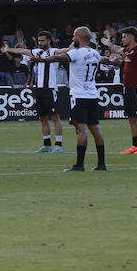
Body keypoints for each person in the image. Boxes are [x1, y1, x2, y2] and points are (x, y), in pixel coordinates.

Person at [39, 27, 109, 171]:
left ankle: (79, 164)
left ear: (80, 37)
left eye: (74, 36)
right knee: (95, 128)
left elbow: (60, 57)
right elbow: (105, 60)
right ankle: (101, 164)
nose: (72, 39)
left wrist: (44, 59)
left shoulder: (76, 53)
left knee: (81, 130)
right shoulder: (95, 53)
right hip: (92, 95)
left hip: (79, 96)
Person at [3, 33, 65, 153]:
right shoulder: (37, 51)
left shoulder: (54, 52)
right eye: (39, 41)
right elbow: (22, 50)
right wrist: (8, 49)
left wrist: (75, 45)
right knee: (42, 118)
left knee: (55, 117)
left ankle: (58, 145)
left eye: (42, 41)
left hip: (50, 89)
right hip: (39, 89)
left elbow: (65, 50)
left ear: (49, 40)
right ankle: (47, 145)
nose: (40, 43)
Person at [100, 26, 137, 154]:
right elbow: (117, 49)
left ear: (131, 37)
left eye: (124, 36)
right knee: (131, 118)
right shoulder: (127, 50)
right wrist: (108, 43)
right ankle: (134, 146)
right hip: (127, 88)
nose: (122, 39)